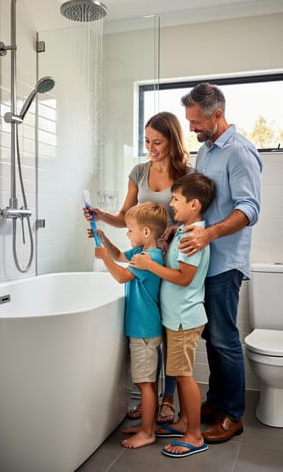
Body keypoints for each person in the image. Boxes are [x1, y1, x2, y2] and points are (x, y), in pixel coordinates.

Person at [84, 111, 193, 423]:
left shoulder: (186, 174)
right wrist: (101, 217)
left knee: (170, 332)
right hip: (145, 256)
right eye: (147, 140)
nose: (151, 147)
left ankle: (167, 399)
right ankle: (149, 398)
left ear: (173, 140)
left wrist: (175, 236)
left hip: (169, 261)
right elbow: (125, 215)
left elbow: (191, 217)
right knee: (153, 336)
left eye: (157, 142)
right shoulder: (139, 172)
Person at [178, 83, 261, 444]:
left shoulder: (240, 152)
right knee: (212, 337)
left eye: (196, 123)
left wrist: (208, 236)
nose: (192, 130)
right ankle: (215, 402)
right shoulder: (207, 152)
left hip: (226, 263)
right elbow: (203, 205)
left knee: (226, 340)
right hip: (205, 262)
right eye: (189, 122)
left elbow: (250, 209)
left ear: (217, 115)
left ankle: (233, 415)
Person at [130, 173, 215, 458]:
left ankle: (194, 435)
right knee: (178, 373)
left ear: (194, 204)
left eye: (176, 199)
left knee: (183, 374)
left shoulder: (192, 237)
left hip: (184, 317)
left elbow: (183, 278)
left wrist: (149, 266)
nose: (171, 203)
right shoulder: (182, 230)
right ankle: (182, 422)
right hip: (174, 316)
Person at [93, 201, 167, 449]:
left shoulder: (150, 257)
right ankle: (148, 424)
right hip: (144, 328)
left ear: (146, 232)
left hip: (144, 330)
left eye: (130, 230)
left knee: (144, 383)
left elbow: (121, 275)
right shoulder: (140, 253)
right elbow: (119, 256)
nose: (127, 233)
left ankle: (147, 432)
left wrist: (103, 258)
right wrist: (103, 239)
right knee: (147, 381)